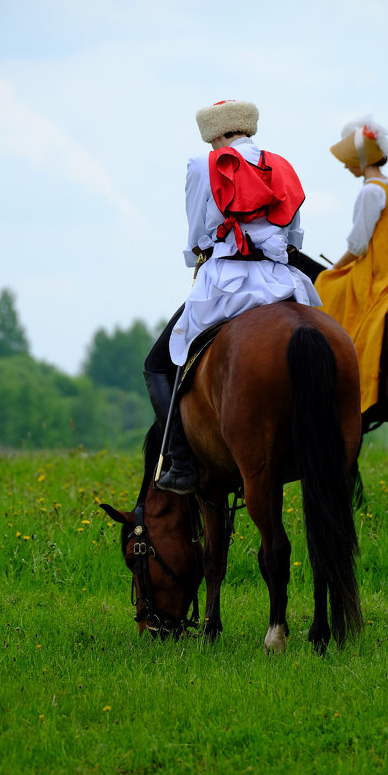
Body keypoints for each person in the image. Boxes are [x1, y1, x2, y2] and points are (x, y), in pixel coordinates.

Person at [144, 99, 321, 494]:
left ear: (218, 134)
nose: (211, 148)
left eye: (212, 140)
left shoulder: (201, 166)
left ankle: (182, 462)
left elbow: (195, 233)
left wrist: (197, 257)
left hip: (224, 283)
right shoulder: (281, 164)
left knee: (157, 365)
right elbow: (294, 233)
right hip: (281, 282)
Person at [314, 116, 388, 413]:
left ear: (360, 159)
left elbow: (358, 245)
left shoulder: (369, 191)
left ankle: (341, 379)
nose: (345, 166)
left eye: (349, 160)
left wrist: (334, 269)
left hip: (380, 270)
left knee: (327, 288)